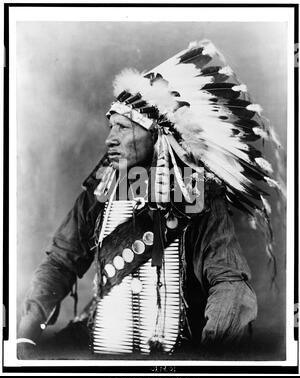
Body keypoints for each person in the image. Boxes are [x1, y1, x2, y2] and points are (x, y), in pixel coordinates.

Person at [17, 40, 280, 360]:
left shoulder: (197, 194)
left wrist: (211, 357)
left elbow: (229, 284)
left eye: (123, 128)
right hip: (97, 350)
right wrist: (25, 336)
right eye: (110, 126)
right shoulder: (100, 191)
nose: (109, 139)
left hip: (173, 358)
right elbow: (60, 261)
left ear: (157, 134)